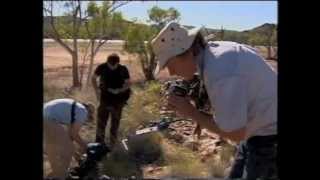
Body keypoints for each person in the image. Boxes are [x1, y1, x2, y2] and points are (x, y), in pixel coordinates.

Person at [151, 22, 277, 179]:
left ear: (187, 53)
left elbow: (235, 133)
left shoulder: (220, 72)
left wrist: (190, 111)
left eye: (169, 64)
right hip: (256, 134)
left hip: (269, 140)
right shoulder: (215, 53)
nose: (171, 72)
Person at [43, 98, 95, 179]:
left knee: (52, 147)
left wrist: (76, 154)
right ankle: (63, 175)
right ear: (89, 112)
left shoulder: (73, 109)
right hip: (49, 118)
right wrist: (86, 148)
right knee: (68, 149)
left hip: (45, 114)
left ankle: (56, 173)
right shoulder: (83, 111)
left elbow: (69, 136)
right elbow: (74, 135)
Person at [91, 53, 131, 146]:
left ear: (118, 63)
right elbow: (93, 78)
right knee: (101, 123)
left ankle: (112, 145)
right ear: (107, 62)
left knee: (115, 124)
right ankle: (99, 145)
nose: (112, 67)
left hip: (118, 100)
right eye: (110, 65)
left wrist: (119, 90)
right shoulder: (102, 67)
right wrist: (96, 90)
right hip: (104, 99)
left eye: (115, 65)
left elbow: (128, 83)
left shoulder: (123, 69)